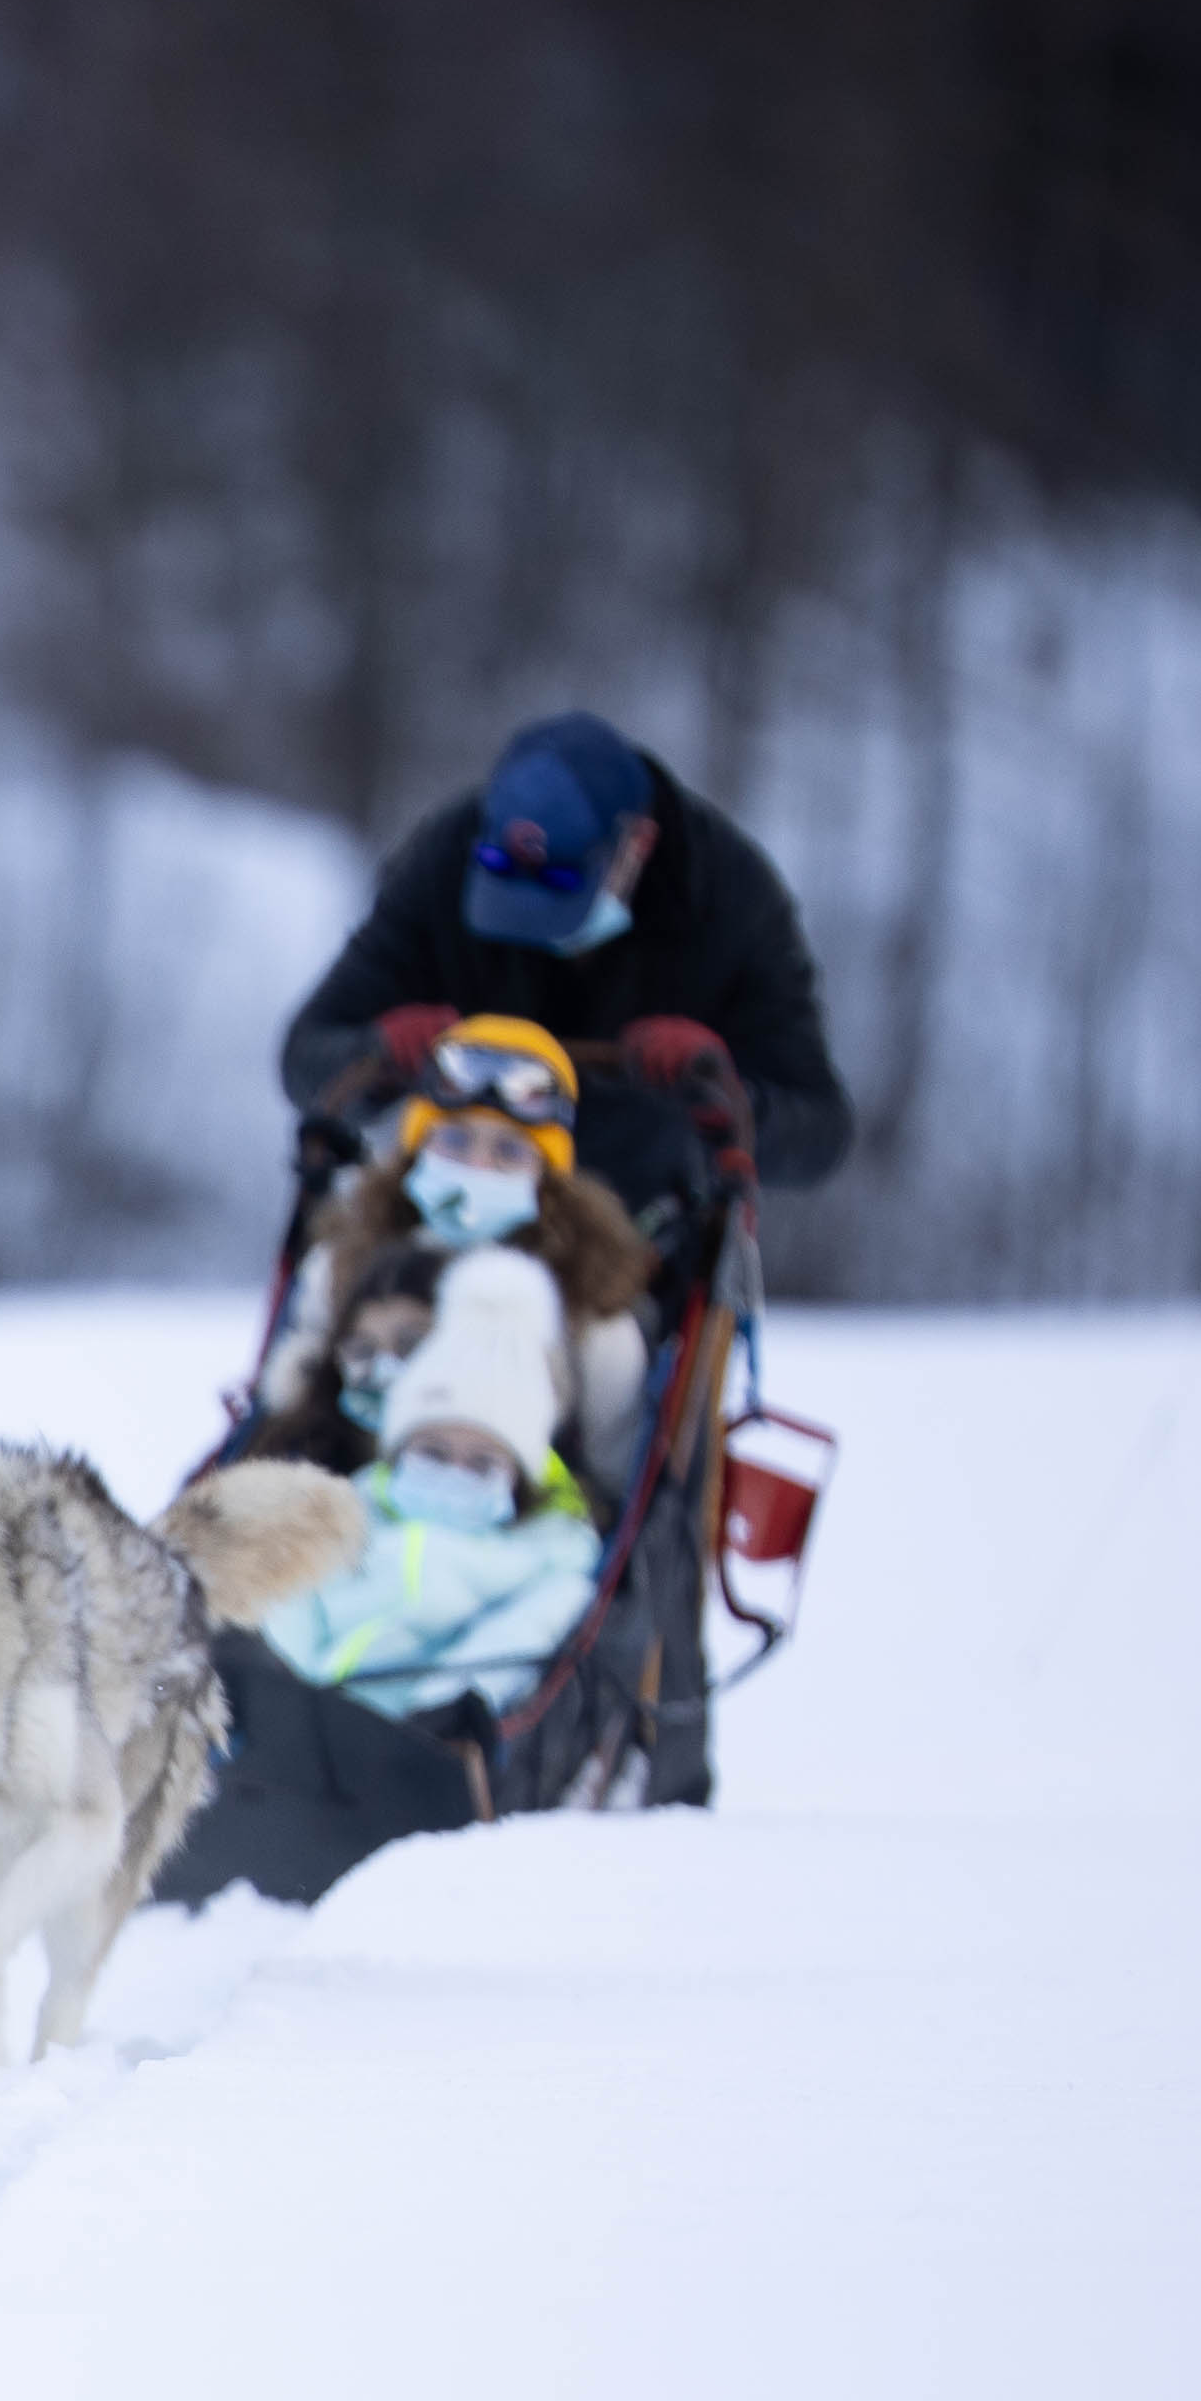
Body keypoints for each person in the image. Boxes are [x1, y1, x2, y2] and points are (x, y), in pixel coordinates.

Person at [280, 711, 852, 1233]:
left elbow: (821, 1132)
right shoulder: (443, 860)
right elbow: (307, 1063)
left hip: (630, 1232)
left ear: (638, 845)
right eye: (504, 878)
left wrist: (723, 1098)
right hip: (448, 1206)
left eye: (558, 889)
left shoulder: (733, 897)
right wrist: (377, 1056)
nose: (533, 925)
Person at [251, 1012, 657, 1502]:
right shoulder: (344, 1264)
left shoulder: (592, 1315)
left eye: (508, 1151)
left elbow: (614, 1477)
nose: (477, 1166)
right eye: (456, 1140)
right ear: (417, 1149)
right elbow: (293, 1399)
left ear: (544, 1177)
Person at [255, 1252, 609, 1725]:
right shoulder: (348, 1510)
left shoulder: (544, 1551)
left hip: (422, 1730)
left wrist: (448, 1705)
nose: (453, 1472)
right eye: (433, 1454)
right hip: (311, 1712)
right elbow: (295, 1602)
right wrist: (279, 1681)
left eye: (481, 1463)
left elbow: (526, 1631)